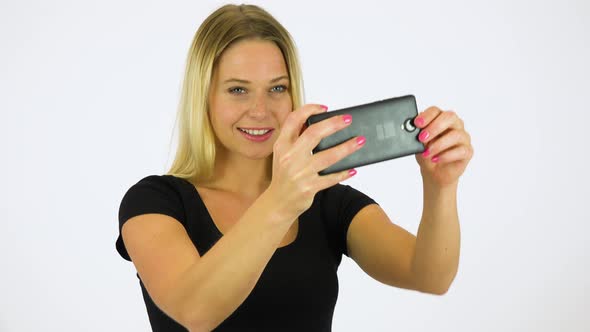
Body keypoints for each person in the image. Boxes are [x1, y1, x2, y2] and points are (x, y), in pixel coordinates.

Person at [115, 3, 473, 332]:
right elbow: (196, 312)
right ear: (204, 97)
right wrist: (281, 201)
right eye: (238, 90)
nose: (260, 110)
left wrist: (440, 186)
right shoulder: (155, 202)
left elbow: (430, 276)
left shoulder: (328, 203)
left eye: (277, 88)